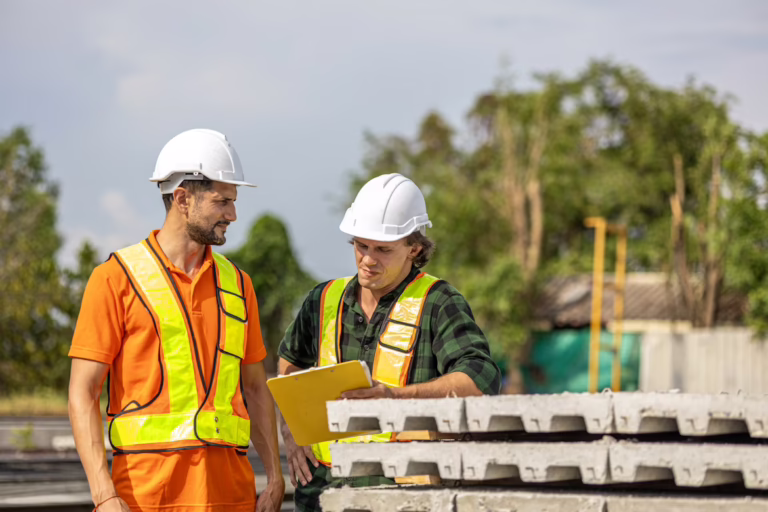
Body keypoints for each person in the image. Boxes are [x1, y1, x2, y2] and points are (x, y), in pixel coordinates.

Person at [68, 129, 285, 512]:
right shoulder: (115, 279)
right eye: (222, 202)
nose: (232, 215)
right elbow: (83, 393)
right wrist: (103, 495)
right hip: (146, 498)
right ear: (183, 198)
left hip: (231, 497)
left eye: (233, 202)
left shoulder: (238, 284)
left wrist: (275, 475)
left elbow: (254, 386)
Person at [277, 173, 502, 511]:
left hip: (404, 498)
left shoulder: (438, 302)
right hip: (322, 493)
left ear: (414, 248)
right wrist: (291, 431)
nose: (368, 260)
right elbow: (289, 364)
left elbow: (480, 379)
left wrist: (396, 398)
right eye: (361, 245)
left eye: (382, 249)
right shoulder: (322, 300)